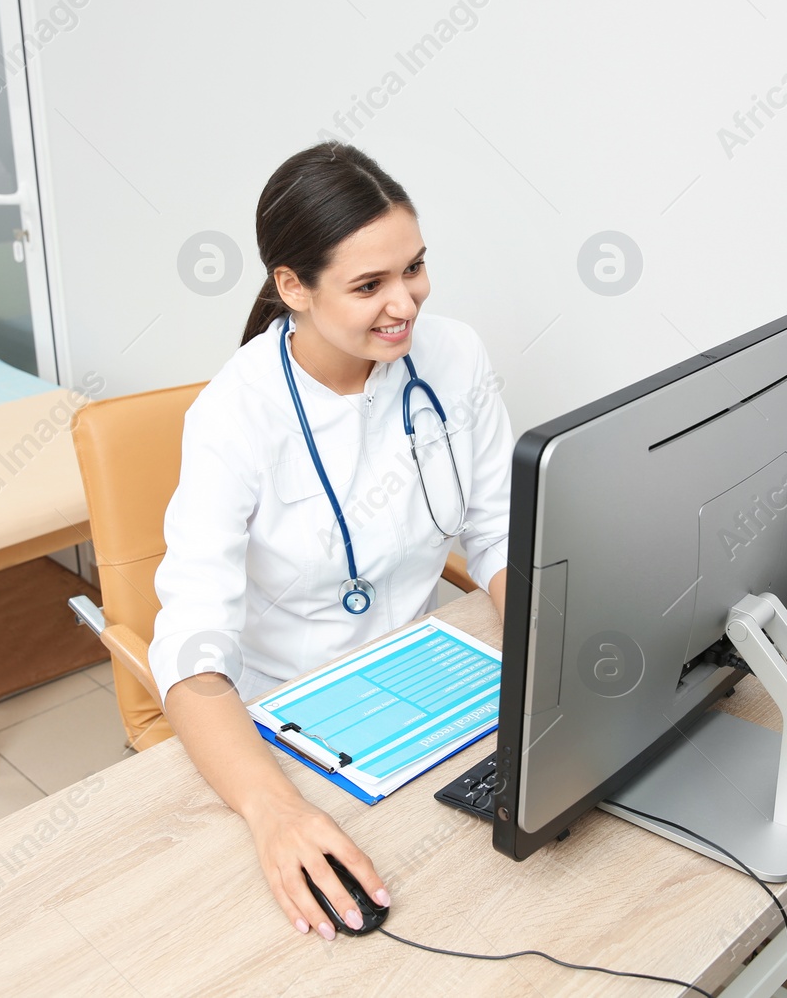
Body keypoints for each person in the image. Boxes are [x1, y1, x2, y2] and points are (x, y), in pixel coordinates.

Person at [146, 142, 513, 940]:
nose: (406, 304)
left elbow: (497, 531)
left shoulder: (455, 357)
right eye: (369, 285)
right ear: (292, 287)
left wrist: (552, 648)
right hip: (289, 725)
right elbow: (189, 644)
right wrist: (273, 810)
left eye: (414, 268)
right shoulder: (232, 417)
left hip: (434, 688)